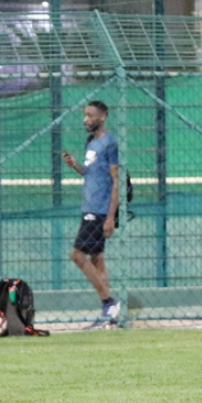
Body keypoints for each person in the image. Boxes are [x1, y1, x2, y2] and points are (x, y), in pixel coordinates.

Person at [62, 100, 121, 329]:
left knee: (77, 256)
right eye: (84, 115)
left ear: (102, 117)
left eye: (90, 115)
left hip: (99, 211)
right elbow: (91, 174)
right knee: (97, 260)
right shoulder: (90, 143)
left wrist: (110, 217)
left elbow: (116, 181)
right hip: (88, 208)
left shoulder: (110, 143)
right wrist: (75, 165)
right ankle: (110, 316)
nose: (85, 119)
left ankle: (109, 302)